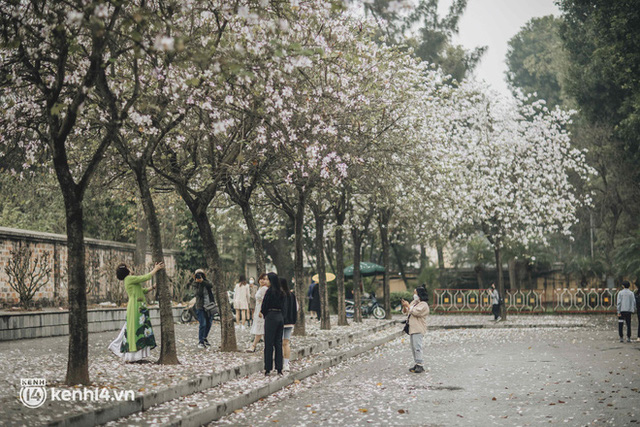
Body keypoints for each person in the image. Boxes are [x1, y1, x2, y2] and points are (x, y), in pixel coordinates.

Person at [108, 262, 164, 362]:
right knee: (136, 329)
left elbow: (142, 290)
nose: (130, 268)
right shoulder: (129, 279)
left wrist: (153, 287)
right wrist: (156, 269)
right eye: (128, 267)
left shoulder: (130, 279)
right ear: (126, 270)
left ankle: (136, 355)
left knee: (138, 328)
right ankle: (133, 356)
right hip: (135, 307)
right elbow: (144, 278)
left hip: (138, 306)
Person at [261, 272, 286, 376]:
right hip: (280, 316)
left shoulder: (269, 292)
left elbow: (264, 307)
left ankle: (268, 368)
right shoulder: (281, 292)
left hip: (271, 316)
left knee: (269, 343)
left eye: (267, 279)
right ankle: (279, 368)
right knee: (278, 343)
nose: (266, 281)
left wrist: (266, 314)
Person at [401, 286, 430, 373]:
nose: (414, 295)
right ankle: (417, 363)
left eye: (415, 293)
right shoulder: (414, 302)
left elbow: (416, 312)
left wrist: (408, 306)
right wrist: (405, 307)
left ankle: (420, 365)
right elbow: (407, 312)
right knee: (413, 347)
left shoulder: (423, 304)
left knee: (418, 347)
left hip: (418, 328)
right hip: (412, 328)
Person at [248, 273, 269, 352]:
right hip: (258, 310)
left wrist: (261, 311)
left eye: (264, 279)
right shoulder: (260, 288)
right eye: (261, 279)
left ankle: (253, 346)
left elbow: (265, 301)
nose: (262, 281)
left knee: (260, 329)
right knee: (262, 329)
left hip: (261, 311)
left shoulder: (264, 289)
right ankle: (267, 346)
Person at [281, 277, 298, 372]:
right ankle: (286, 364)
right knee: (286, 343)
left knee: (280, 343)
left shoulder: (280, 295)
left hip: (281, 322)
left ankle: (280, 363)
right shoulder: (292, 295)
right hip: (290, 322)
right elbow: (297, 307)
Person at [194, 269, 214, 349]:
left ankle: (204, 337)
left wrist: (202, 281)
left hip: (209, 306)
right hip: (200, 307)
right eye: (197, 274)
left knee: (209, 323)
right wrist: (199, 283)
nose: (199, 276)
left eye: (201, 274)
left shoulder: (206, 282)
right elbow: (198, 293)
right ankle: (201, 341)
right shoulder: (195, 284)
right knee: (203, 324)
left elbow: (211, 285)